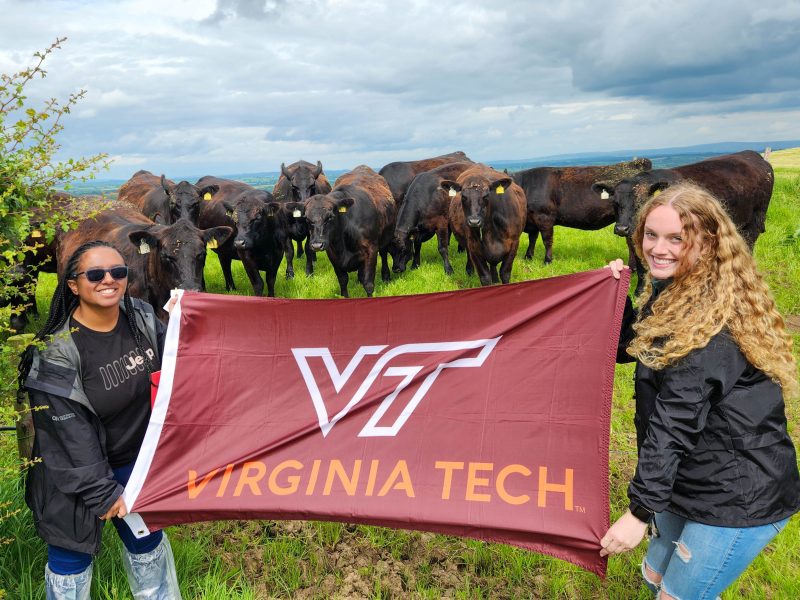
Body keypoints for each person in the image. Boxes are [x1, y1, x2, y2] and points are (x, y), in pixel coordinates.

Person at [600, 183, 799, 599]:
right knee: (653, 577)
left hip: (736, 494)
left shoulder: (709, 330)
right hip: (689, 475)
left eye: (677, 239)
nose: (658, 248)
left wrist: (638, 512)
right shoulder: (675, 294)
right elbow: (632, 349)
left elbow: (673, 424)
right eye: (651, 235)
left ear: (708, 244)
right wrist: (614, 301)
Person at [17, 240, 182, 600]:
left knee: (147, 546)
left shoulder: (139, 317)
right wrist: (103, 493)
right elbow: (67, 436)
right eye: (95, 274)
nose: (109, 280)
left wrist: (195, 318)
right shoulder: (55, 355)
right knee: (70, 560)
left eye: (118, 272)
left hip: (134, 465)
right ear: (73, 284)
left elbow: (178, 365)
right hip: (74, 476)